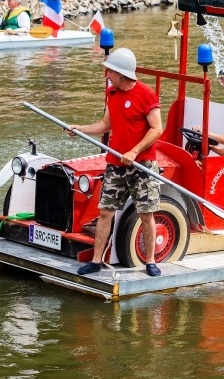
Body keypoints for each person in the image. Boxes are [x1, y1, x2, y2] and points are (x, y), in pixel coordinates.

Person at [67, 48, 165, 277]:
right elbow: (105, 125)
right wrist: (81, 129)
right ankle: (96, 260)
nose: (107, 75)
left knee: (146, 213)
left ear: (122, 73)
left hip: (142, 166)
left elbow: (157, 128)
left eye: (109, 71)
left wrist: (134, 151)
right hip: (115, 165)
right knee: (105, 212)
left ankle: (150, 261)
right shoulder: (112, 94)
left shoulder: (146, 95)